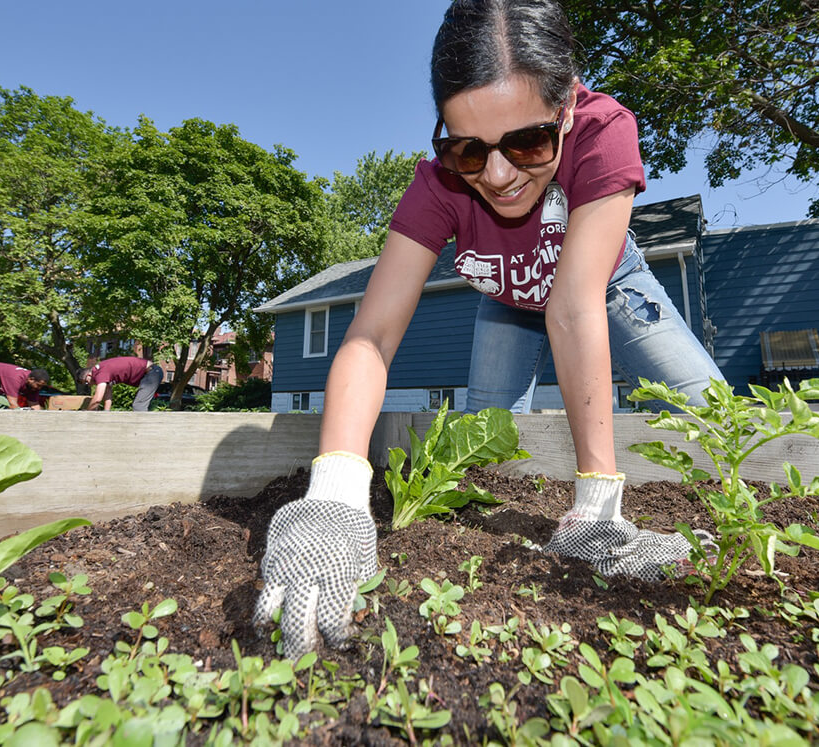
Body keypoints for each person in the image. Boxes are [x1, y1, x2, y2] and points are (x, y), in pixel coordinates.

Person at [254, 0, 725, 659]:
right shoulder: (435, 184)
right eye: (467, 148)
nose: (498, 176)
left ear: (565, 108)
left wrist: (596, 502)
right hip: (507, 300)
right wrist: (335, 489)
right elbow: (372, 334)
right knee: (480, 453)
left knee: (724, 420)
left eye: (527, 143)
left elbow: (572, 305)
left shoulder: (603, 130)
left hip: (605, 287)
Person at [78, 356, 164, 411]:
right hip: (151, 373)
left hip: (152, 373)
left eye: (86, 382)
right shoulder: (102, 371)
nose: (89, 385)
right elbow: (107, 394)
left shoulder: (99, 373)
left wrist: (87, 414)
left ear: (89, 375)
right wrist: (105, 414)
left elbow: (97, 399)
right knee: (141, 405)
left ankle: (144, 434)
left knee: (138, 406)